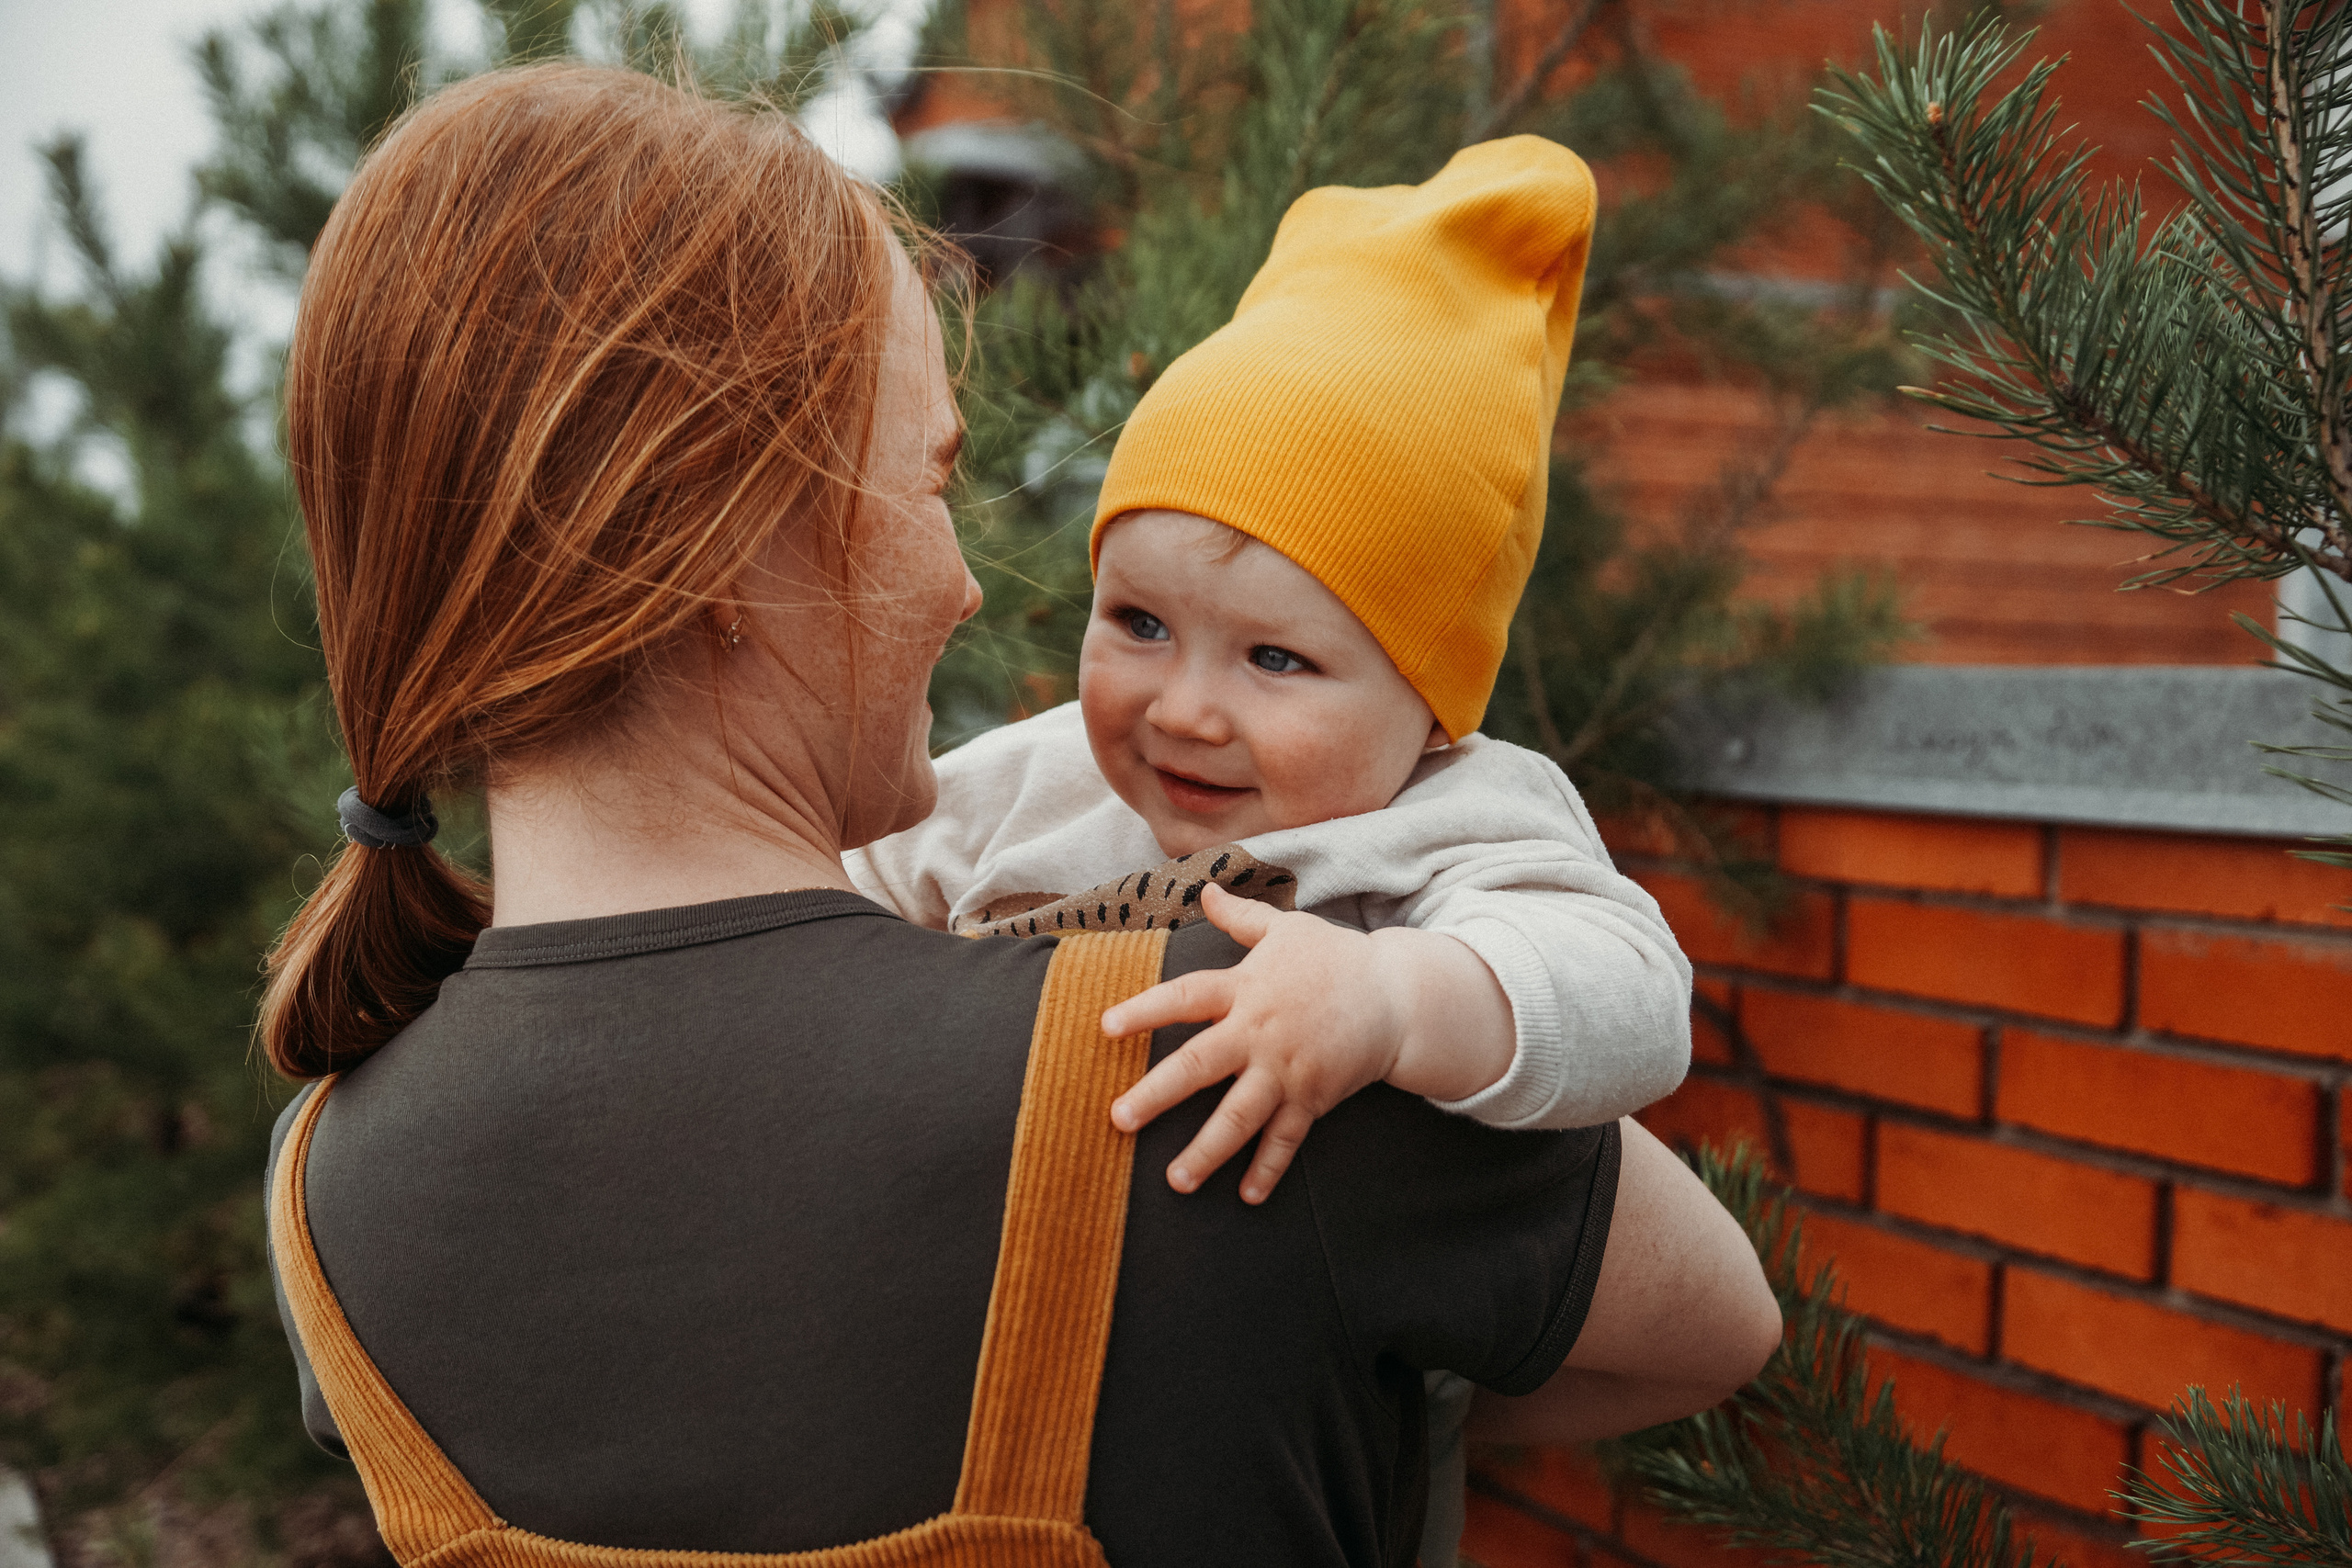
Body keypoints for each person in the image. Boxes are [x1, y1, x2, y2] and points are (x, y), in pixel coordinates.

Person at [258, 62, 1781, 1568]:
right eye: (929, 484)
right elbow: (1720, 1321)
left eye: (1275, 655)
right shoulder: (1220, 1060)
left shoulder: (327, 1193)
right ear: (726, 538)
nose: (971, 584)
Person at [845, 140, 1681, 1567]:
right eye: (1140, 624)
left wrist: (1393, 1002)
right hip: (982, 1417)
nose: (1183, 707)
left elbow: (1630, 999)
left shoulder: (1458, 817)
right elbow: (837, 896)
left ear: (1426, 690)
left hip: (1289, 1470)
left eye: (1278, 658)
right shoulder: (1034, 785)